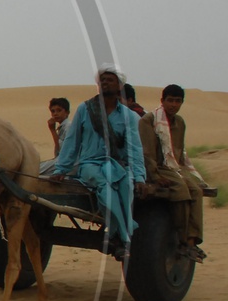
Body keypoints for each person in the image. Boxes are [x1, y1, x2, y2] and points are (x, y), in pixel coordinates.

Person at [51, 66, 146, 258]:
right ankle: (120, 235)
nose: (105, 82)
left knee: (126, 185)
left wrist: (139, 177)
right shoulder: (85, 109)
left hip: (117, 165)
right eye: (102, 79)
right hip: (90, 165)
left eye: (110, 79)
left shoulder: (128, 116)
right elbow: (72, 141)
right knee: (104, 186)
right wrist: (61, 168)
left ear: (119, 85)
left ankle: (115, 236)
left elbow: (134, 149)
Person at [138, 84, 207, 261]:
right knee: (181, 192)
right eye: (170, 100)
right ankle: (182, 239)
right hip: (158, 168)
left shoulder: (180, 123)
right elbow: (147, 153)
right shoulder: (149, 121)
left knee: (196, 191)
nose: (173, 105)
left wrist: (186, 172)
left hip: (174, 167)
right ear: (162, 101)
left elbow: (178, 152)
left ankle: (192, 241)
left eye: (178, 101)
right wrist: (155, 176)